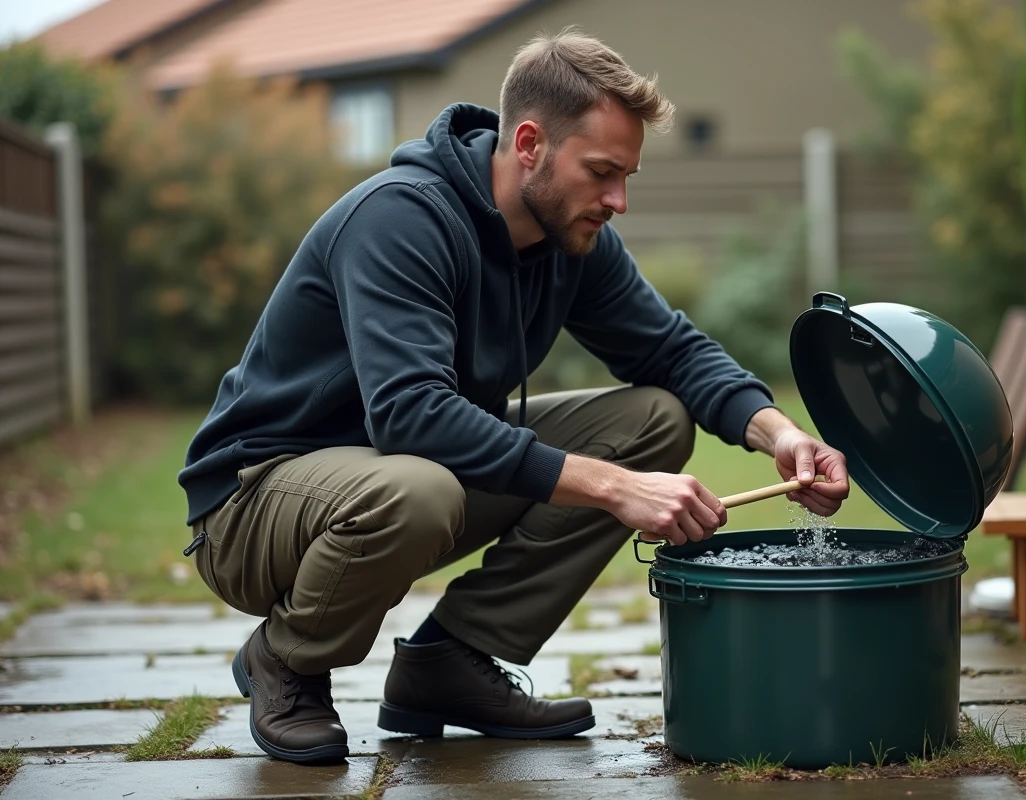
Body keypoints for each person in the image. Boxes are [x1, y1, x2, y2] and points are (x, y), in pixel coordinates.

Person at [178, 26, 850, 765]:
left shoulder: (572, 240)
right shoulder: (402, 219)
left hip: (392, 475)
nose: (618, 200)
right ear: (529, 143)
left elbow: (671, 351)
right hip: (251, 504)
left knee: (651, 421)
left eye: (627, 175)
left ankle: (452, 661)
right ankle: (289, 658)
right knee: (421, 488)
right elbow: (409, 413)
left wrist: (780, 435)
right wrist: (609, 487)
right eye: (601, 172)